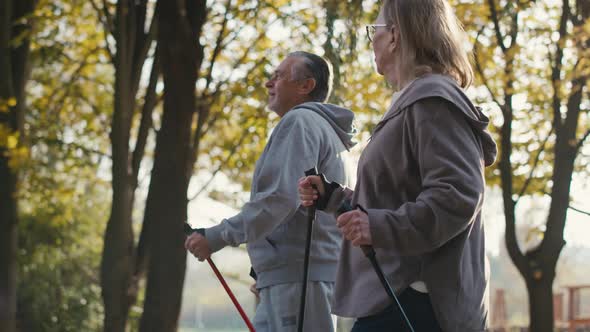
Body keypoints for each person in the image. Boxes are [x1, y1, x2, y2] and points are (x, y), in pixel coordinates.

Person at [298, 0, 498, 331]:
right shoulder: (417, 101)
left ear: (394, 36)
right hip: (399, 295)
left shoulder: (433, 99)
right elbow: (396, 197)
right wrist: (334, 199)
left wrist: (377, 227)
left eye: (373, 30)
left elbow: (457, 195)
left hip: (415, 301)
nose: (371, 40)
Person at [185, 51, 356, 332]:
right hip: (293, 277)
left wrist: (215, 237)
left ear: (306, 86)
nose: (268, 83)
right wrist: (265, 270)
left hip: (297, 281)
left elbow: (279, 199)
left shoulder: (300, 122)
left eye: (278, 76)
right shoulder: (326, 132)